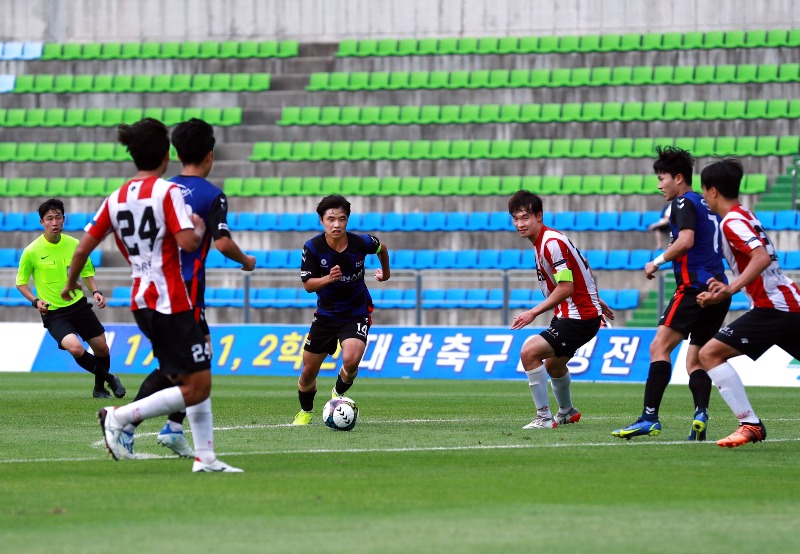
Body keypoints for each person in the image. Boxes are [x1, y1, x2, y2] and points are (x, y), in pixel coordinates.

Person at [62, 117, 242, 472]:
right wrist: (199, 228)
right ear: (166, 156)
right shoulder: (166, 192)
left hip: (141, 300)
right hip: (170, 299)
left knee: (190, 377)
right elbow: (188, 241)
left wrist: (70, 283)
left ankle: (204, 457)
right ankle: (120, 417)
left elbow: (82, 248)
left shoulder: (116, 198)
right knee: (198, 386)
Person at [125, 118, 256, 459]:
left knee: (197, 359)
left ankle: (172, 427)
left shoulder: (162, 188)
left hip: (156, 285)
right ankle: (127, 422)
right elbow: (222, 243)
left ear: (177, 153)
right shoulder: (212, 195)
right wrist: (246, 260)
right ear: (210, 155)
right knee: (186, 367)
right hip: (183, 291)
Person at [612, 146, 730, 441]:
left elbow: (687, 240)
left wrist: (657, 261)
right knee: (696, 360)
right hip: (719, 290)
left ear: (678, 178)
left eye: (662, 178)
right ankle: (700, 415)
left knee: (658, 348)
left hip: (693, 290)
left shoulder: (682, 202)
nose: (659, 184)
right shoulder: (706, 203)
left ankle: (649, 417)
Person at [697, 158, 800, 447]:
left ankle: (750, 424)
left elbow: (761, 257)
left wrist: (730, 288)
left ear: (713, 191)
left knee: (710, 354)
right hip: (787, 303)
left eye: (704, 191)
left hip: (774, 306)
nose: (704, 197)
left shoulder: (732, 221)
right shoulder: (744, 215)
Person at [508, 190, 614, 429]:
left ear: (539, 216)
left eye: (525, 217)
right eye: (515, 219)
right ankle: (567, 412)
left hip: (578, 317)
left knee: (529, 353)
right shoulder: (545, 241)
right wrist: (596, 298)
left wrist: (532, 312)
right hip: (573, 313)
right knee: (553, 365)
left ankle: (544, 418)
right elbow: (582, 265)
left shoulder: (550, 243)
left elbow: (566, 287)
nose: (520, 224)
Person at [292, 194, 391, 425]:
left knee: (351, 359)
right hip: (326, 316)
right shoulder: (312, 247)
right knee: (308, 372)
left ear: (347, 220)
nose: (336, 224)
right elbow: (308, 285)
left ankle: (337, 394)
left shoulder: (361, 243)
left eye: (342, 219)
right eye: (331, 219)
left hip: (356, 312)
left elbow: (382, 248)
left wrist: (385, 274)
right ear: (321, 221)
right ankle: (306, 411)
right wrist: (328, 279)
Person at [16, 198, 125, 399]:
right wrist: (35, 301)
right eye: (49, 218)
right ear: (41, 222)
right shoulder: (31, 251)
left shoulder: (75, 244)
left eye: (58, 217)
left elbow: (87, 272)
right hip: (54, 313)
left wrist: (96, 292)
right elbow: (21, 283)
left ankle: (99, 389)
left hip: (78, 306)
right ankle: (110, 379)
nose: (54, 222)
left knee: (101, 347)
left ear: (64, 219)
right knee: (75, 348)